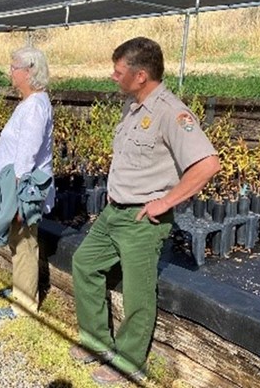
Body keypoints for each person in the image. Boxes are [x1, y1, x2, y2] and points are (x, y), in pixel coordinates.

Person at [69, 37, 220, 385]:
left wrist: (165, 202)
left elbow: (207, 164)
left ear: (140, 76)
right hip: (114, 212)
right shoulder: (133, 106)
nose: (112, 76)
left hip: (143, 219)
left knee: (138, 292)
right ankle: (96, 343)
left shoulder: (171, 113)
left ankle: (128, 363)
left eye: (118, 71)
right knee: (84, 263)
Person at [0, 47, 54, 321]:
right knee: (19, 241)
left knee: (24, 244)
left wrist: (14, 199)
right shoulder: (31, 103)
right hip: (17, 185)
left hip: (23, 188)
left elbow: (27, 156)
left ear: (30, 71)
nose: (10, 72)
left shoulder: (36, 107)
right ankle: (20, 291)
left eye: (14, 67)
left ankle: (23, 306)